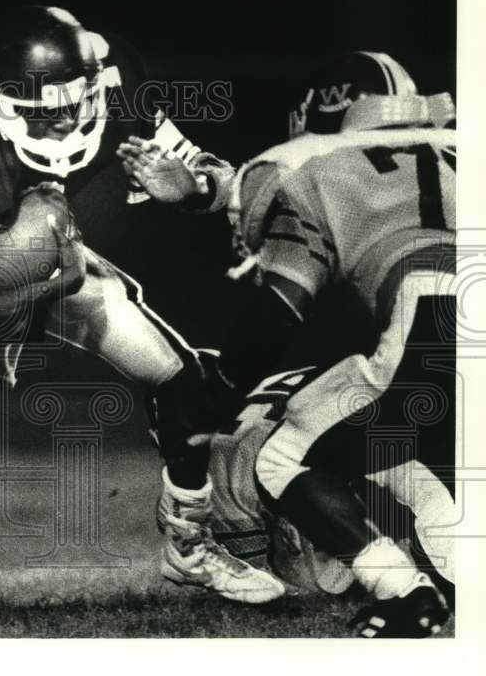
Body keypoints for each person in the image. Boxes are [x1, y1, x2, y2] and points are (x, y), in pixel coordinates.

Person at [0, 5, 284, 603]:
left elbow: (218, 180)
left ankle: (189, 546)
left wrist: (192, 189)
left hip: (65, 266)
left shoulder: (119, 87)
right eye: (38, 113)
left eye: (66, 107)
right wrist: (59, 278)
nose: (55, 128)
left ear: (94, 80)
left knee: (186, 383)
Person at [130, 51, 456, 636]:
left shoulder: (308, 166)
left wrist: (222, 391)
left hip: (435, 312)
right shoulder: (458, 143)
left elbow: (281, 303)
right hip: (442, 321)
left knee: (283, 457)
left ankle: (406, 594)